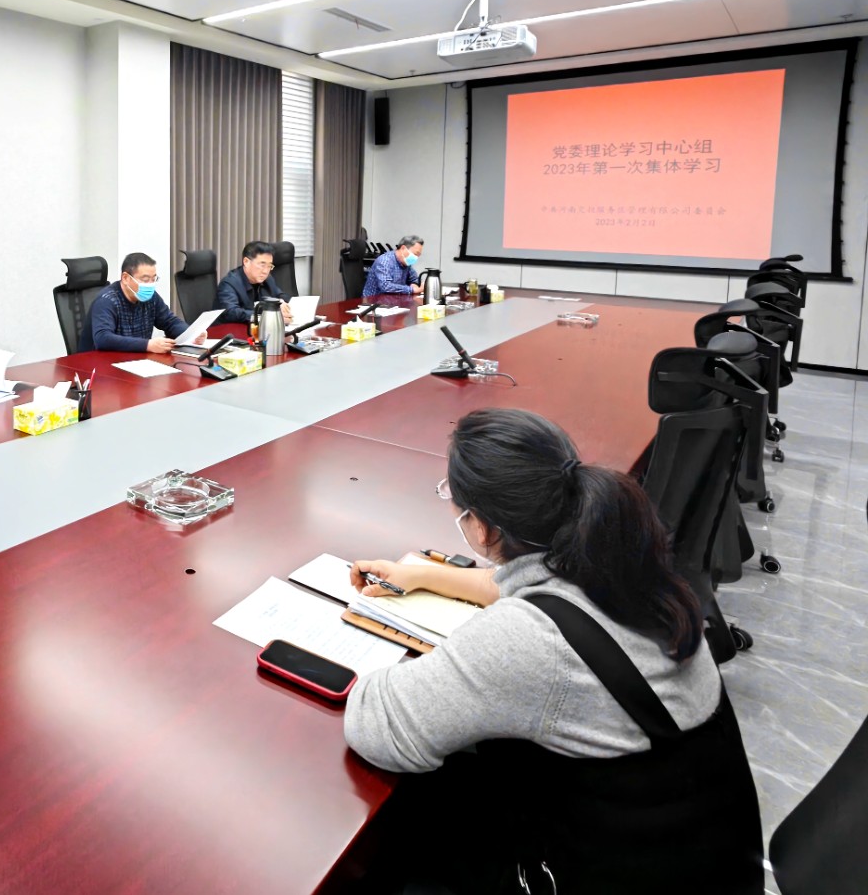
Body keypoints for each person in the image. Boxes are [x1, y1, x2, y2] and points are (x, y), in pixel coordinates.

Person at [342, 408, 763, 895]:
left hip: (592, 873)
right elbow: (527, 584)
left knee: (400, 841)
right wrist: (424, 575)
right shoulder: (628, 562)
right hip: (703, 859)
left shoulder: (529, 641)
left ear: (481, 529)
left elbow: (376, 724)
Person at [81, 252, 198, 353]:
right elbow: (103, 338)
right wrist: (147, 345)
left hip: (135, 359)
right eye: (145, 280)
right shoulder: (107, 300)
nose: (150, 285)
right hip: (101, 363)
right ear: (126, 278)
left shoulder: (151, 297)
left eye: (153, 279)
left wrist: (191, 335)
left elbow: (169, 322)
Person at [214, 241, 292, 325]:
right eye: (262, 265)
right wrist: (269, 315)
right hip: (230, 330)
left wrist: (281, 302)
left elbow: (280, 295)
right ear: (246, 262)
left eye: (269, 266)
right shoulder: (229, 284)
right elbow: (231, 313)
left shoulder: (267, 279)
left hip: (257, 328)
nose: (266, 271)